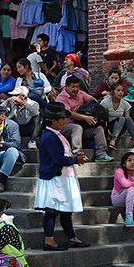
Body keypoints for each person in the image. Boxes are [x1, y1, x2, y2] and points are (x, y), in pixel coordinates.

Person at [34, 102, 90, 251]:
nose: (65, 121)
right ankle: (49, 240)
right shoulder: (50, 137)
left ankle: (72, 238)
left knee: (65, 210)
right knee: (51, 211)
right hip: (55, 178)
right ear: (54, 121)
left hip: (62, 177)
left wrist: (73, 158)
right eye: (62, 119)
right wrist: (75, 160)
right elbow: (58, 159)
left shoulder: (55, 135)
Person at [57, 75, 112, 162]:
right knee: (77, 128)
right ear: (66, 87)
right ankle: (77, 153)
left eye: (77, 86)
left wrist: (93, 110)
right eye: (73, 87)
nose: (76, 89)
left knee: (98, 129)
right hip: (65, 126)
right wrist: (86, 117)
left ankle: (101, 154)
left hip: (82, 126)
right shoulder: (61, 97)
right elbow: (69, 113)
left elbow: (93, 100)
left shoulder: (80, 93)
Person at [102, 81, 134, 150]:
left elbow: (127, 120)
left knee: (126, 118)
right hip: (107, 127)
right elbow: (101, 119)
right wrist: (106, 129)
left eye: (122, 91)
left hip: (119, 128)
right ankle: (112, 141)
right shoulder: (105, 102)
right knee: (121, 118)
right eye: (118, 90)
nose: (120, 92)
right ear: (112, 92)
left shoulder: (126, 104)